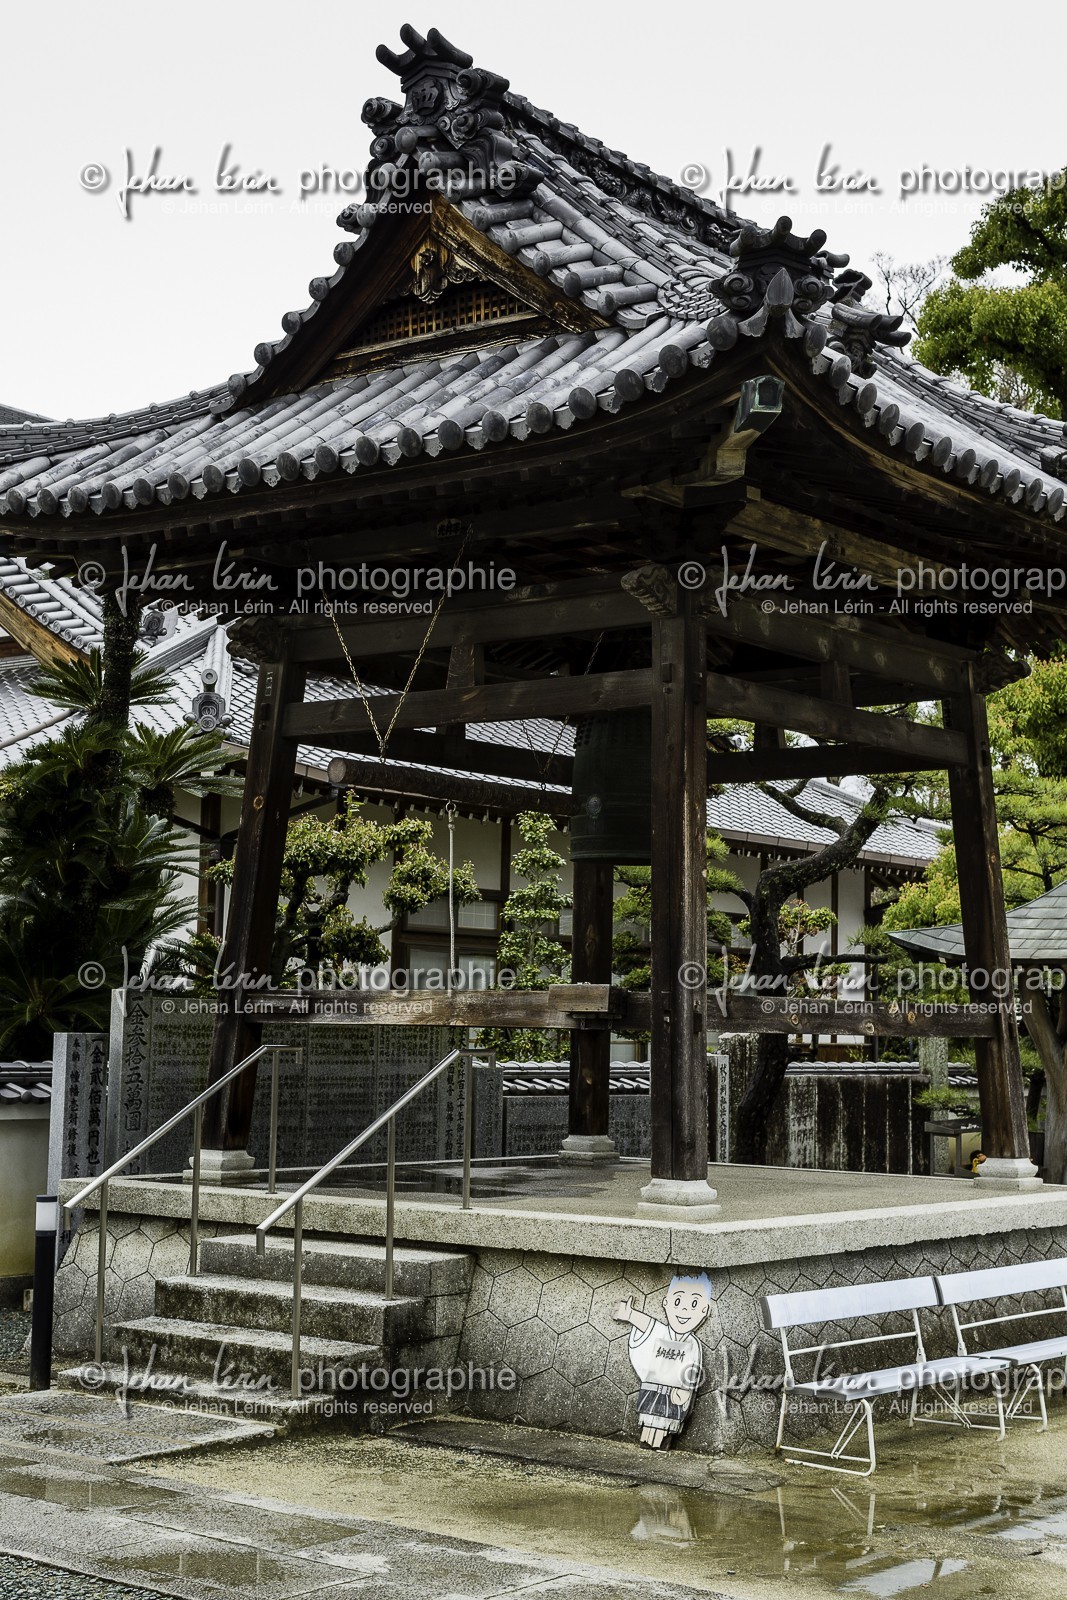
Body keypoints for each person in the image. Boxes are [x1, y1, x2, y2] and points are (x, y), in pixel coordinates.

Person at [613, 1272, 713, 1448]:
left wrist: (685, 1388)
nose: (683, 1310)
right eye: (677, 1301)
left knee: (667, 1422)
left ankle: (661, 1443)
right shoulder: (661, 1331)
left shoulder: (693, 1343)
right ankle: (647, 1441)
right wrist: (630, 1315)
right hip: (653, 1386)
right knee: (649, 1419)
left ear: (704, 1310)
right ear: (666, 1302)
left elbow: (694, 1367)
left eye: (694, 1304)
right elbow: (648, 1324)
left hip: (674, 1391)